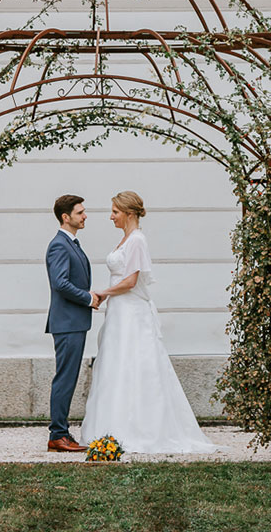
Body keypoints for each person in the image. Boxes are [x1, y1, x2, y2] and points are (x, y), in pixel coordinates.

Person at [79, 191, 218, 453]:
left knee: (135, 366)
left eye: (115, 212)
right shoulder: (125, 240)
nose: (111, 217)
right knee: (115, 366)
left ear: (129, 213)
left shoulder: (138, 241)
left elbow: (131, 281)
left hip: (132, 313)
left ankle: (140, 428)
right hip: (119, 312)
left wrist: (102, 293)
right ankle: (110, 427)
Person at [44, 194, 102, 453]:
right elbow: (60, 283)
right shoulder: (59, 245)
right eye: (80, 212)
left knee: (68, 377)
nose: (85, 216)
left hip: (74, 322)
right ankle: (58, 435)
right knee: (65, 379)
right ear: (65, 217)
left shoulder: (72, 244)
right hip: (67, 322)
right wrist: (88, 298)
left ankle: (61, 433)